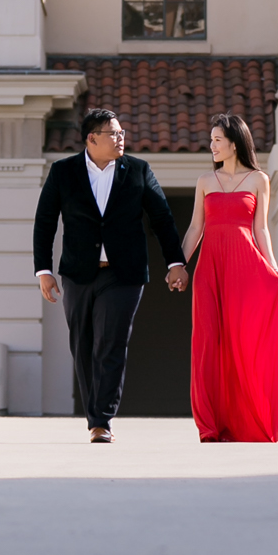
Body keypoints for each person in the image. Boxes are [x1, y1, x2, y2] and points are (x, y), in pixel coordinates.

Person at [34, 106, 188, 442]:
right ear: (92, 138)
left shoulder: (138, 170)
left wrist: (176, 261)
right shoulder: (63, 172)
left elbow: (162, 219)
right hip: (77, 273)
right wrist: (43, 270)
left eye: (121, 133)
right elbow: (45, 222)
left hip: (124, 274)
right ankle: (95, 415)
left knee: (111, 343)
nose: (121, 139)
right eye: (113, 134)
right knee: (83, 344)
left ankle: (101, 421)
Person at [183, 111, 278, 443]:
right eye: (211, 140)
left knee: (245, 341)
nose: (212, 145)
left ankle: (252, 417)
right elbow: (196, 228)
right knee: (209, 343)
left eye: (217, 140)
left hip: (246, 268)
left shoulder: (258, 180)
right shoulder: (205, 182)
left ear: (234, 144)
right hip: (209, 269)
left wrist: (274, 266)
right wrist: (179, 264)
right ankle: (210, 425)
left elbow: (261, 229)